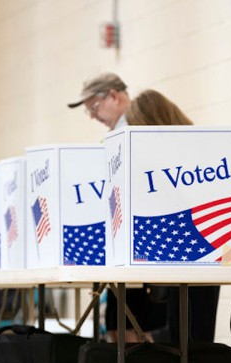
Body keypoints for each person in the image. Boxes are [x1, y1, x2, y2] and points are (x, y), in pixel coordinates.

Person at [68, 73, 164, 343]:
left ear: (114, 95)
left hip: (140, 245)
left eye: (94, 107)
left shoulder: (138, 127)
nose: (92, 116)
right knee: (117, 327)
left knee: (134, 330)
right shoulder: (115, 136)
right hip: (121, 246)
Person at [125, 89, 222, 344]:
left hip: (199, 252)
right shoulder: (186, 148)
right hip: (186, 253)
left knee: (191, 339)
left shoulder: (188, 153)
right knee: (186, 336)